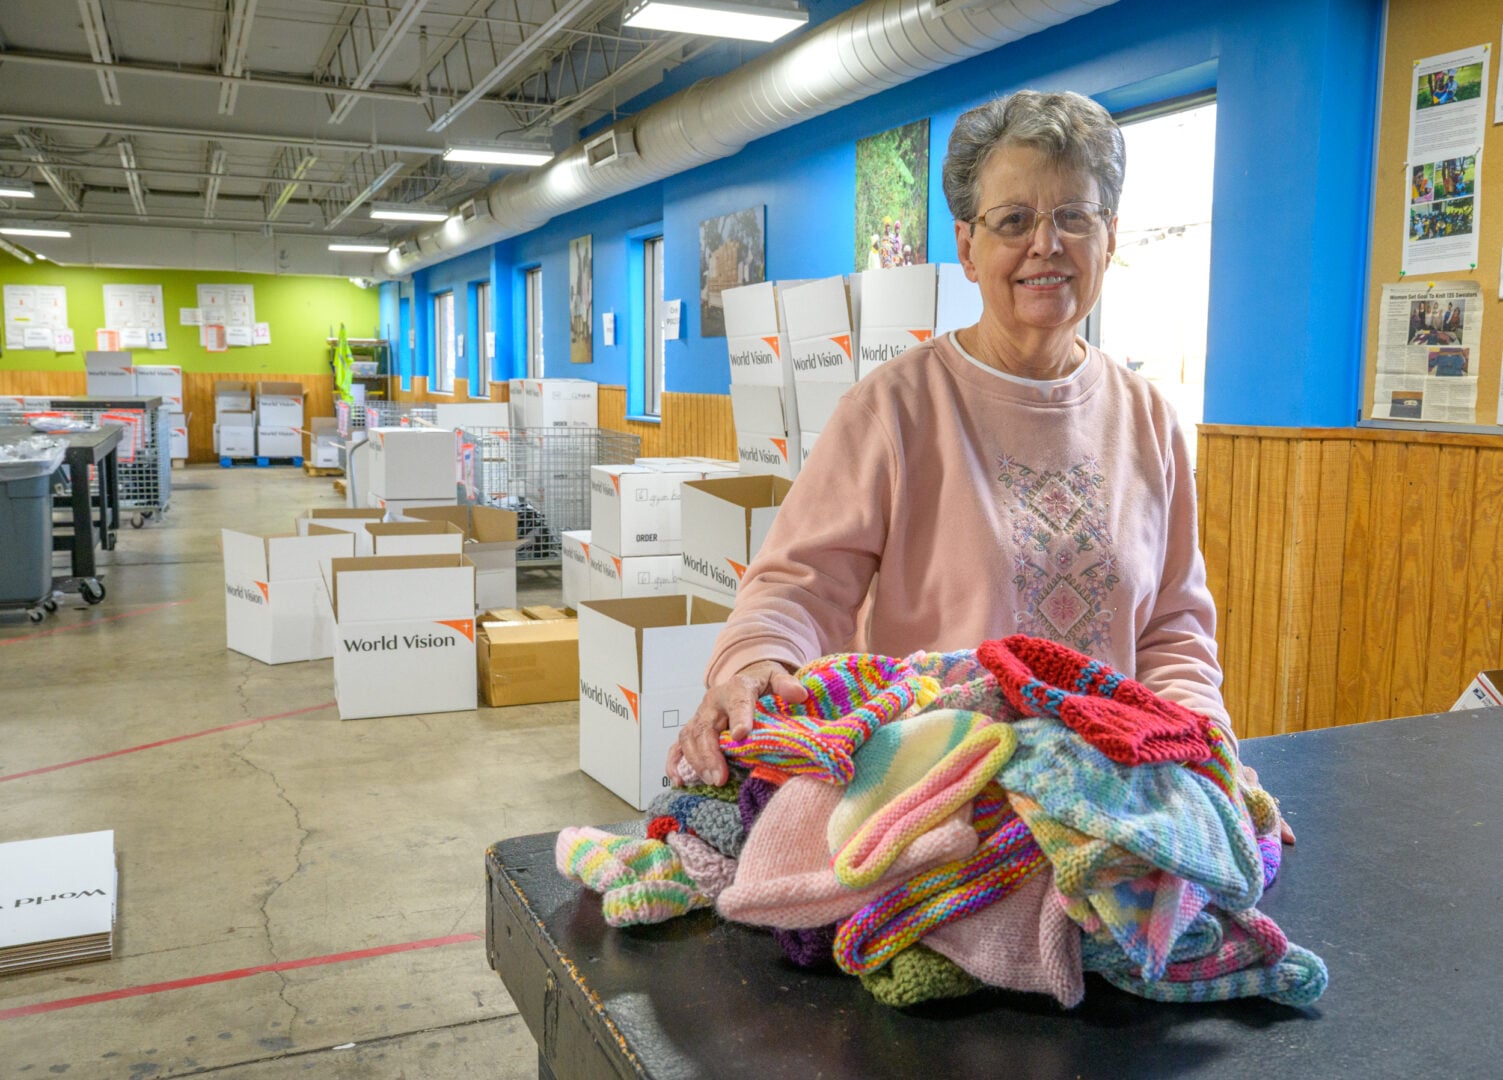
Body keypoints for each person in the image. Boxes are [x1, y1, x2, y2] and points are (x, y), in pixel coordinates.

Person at [668, 89, 1292, 842]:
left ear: (1109, 235)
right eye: (1013, 221)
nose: (1045, 245)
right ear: (966, 246)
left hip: (1111, 814)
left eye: (1074, 216)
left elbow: (1172, 628)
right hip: (935, 816)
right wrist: (755, 661)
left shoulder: (1147, 418)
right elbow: (797, 586)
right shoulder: (894, 408)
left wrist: (1203, 754)